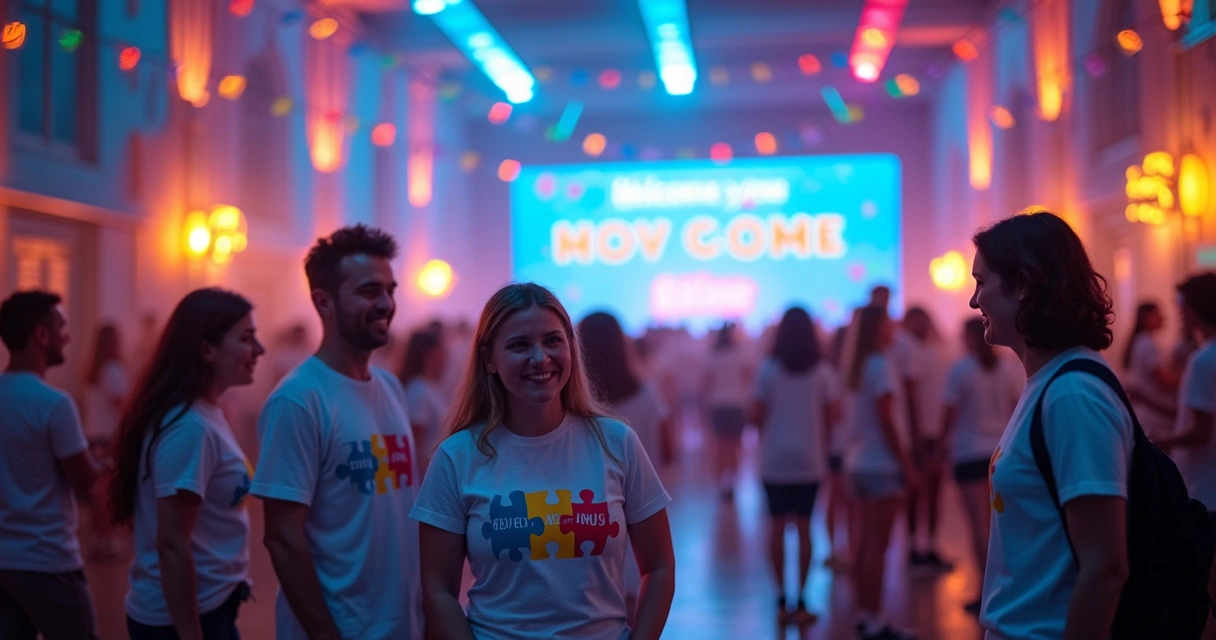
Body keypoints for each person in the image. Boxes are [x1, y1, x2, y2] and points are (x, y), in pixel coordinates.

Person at [411, 283, 675, 639]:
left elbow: (659, 566)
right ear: (489, 358)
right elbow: (438, 588)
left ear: (570, 345)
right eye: (520, 345)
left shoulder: (617, 442)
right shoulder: (457, 457)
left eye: (552, 340)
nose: (540, 357)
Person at [252, 225, 422, 640]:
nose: (386, 304)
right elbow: (282, 536)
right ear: (323, 302)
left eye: (390, 289)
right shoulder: (298, 400)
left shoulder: (390, 387)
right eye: (369, 291)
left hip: (402, 625)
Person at [973, 209, 1132, 640]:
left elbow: (1105, 567)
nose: (974, 301)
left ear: (1022, 284)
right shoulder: (1048, 383)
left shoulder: (1073, 394)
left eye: (981, 282)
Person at [108, 289, 263, 639]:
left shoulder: (206, 414)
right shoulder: (190, 428)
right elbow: (172, 543)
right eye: (246, 339)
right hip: (183, 619)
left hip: (211, 606)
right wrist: (191, 633)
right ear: (207, 349)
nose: (259, 350)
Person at [0, 290, 101, 640]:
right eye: (61, 326)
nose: (67, 335)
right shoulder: (54, 404)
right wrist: (102, 463)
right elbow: (83, 480)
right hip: (46, 559)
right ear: (42, 335)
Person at [577, 310, 673, 621]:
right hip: (640, 516)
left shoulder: (576, 405)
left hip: (583, 520)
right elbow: (668, 450)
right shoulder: (646, 395)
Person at [753, 307, 841, 624]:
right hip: (809, 460)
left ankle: (780, 600)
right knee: (805, 530)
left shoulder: (768, 369)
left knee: (777, 529)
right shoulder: (823, 371)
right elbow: (833, 417)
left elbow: (757, 417)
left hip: (774, 460)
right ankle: (802, 601)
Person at [940, 317, 1024, 615]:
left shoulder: (960, 370)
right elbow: (1018, 406)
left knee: (978, 526)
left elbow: (949, 415)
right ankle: (1008, 590)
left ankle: (985, 590)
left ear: (969, 338)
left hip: (967, 453)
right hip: (1000, 452)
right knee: (1002, 526)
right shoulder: (1008, 367)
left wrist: (939, 446)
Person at [844, 305, 918, 640]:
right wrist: (906, 463)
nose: (894, 328)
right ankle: (875, 619)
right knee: (878, 545)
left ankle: (864, 613)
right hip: (880, 464)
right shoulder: (881, 366)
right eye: (889, 323)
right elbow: (887, 419)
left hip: (858, 461)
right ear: (877, 328)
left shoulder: (856, 368)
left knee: (862, 544)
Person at [892, 307, 951, 572]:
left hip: (934, 429)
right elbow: (910, 398)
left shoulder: (935, 351)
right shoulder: (904, 350)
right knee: (917, 492)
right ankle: (914, 546)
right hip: (921, 432)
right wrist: (914, 435)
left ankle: (930, 544)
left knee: (935, 490)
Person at [1159, 274, 1216, 526]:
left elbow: (1201, 431)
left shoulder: (1202, 361)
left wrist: (1159, 441)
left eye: (1181, 302)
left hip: (1203, 487)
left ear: (1193, 308)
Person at [82, 322, 129, 560]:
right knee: (106, 489)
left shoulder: (94, 369)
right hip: (108, 436)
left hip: (93, 435)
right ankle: (108, 538)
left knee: (98, 487)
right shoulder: (113, 369)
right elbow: (119, 402)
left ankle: (100, 536)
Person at [701, 323, 753, 501]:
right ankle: (732, 483)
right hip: (737, 404)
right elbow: (748, 379)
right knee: (735, 446)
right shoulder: (740, 354)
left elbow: (707, 383)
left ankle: (720, 484)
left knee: (720, 447)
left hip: (718, 405)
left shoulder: (713, 355)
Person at [1121, 302, 1179, 444]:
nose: (1163, 318)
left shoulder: (1142, 341)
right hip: (1154, 417)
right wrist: (1189, 369)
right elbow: (1164, 383)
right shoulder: (1147, 344)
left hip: (1149, 414)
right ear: (1146, 318)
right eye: (1158, 314)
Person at [823, 322, 856, 570]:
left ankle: (839, 548)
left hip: (839, 444)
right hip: (845, 443)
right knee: (845, 500)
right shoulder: (842, 372)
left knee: (837, 499)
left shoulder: (831, 371)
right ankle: (843, 548)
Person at [399, 328, 450, 465]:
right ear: (428, 354)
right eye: (441, 350)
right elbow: (416, 447)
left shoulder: (431, 387)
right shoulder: (418, 391)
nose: (446, 355)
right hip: (426, 478)